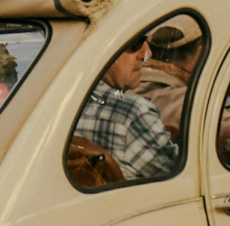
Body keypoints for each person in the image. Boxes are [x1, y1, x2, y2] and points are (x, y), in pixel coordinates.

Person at [73, 38, 178, 182]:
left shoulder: (65, 103)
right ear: (103, 51)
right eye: (134, 44)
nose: (147, 53)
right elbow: (180, 175)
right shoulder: (134, 112)